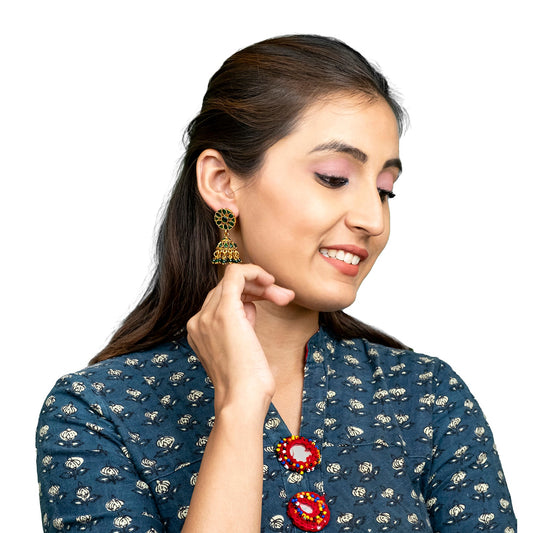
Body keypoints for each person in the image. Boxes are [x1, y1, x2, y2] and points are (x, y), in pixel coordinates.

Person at [36, 35, 516, 532]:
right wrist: (240, 406)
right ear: (222, 182)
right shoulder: (97, 413)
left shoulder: (425, 397)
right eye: (333, 177)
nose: (373, 219)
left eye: (384, 190)